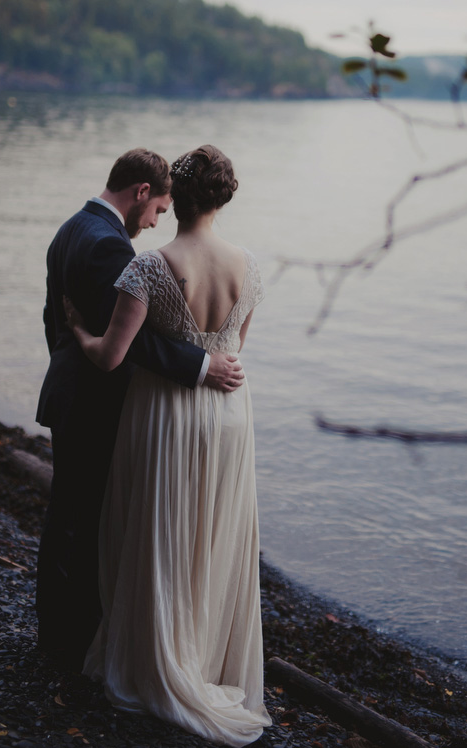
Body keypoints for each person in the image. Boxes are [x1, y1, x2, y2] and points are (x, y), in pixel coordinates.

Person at [65, 144, 271, 747]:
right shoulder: (250, 267)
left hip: (166, 417)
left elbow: (109, 357)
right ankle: (206, 663)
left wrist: (78, 327)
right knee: (214, 538)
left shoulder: (149, 267)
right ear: (223, 197)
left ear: (174, 196)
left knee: (161, 535)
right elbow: (233, 351)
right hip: (230, 415)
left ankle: (160, 660)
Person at [36, 148, 245, 672]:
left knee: (69, 517)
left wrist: (68, 361)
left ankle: (60, 634)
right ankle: (73, 641)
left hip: (72, 392)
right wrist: (203, 365)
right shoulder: (110, 247)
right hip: (96, 400)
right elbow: (128, 343)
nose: (154, 223)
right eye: (155, 211)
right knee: (86, 525)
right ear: (142, 193)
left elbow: (54, 318)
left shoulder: (71, 228)